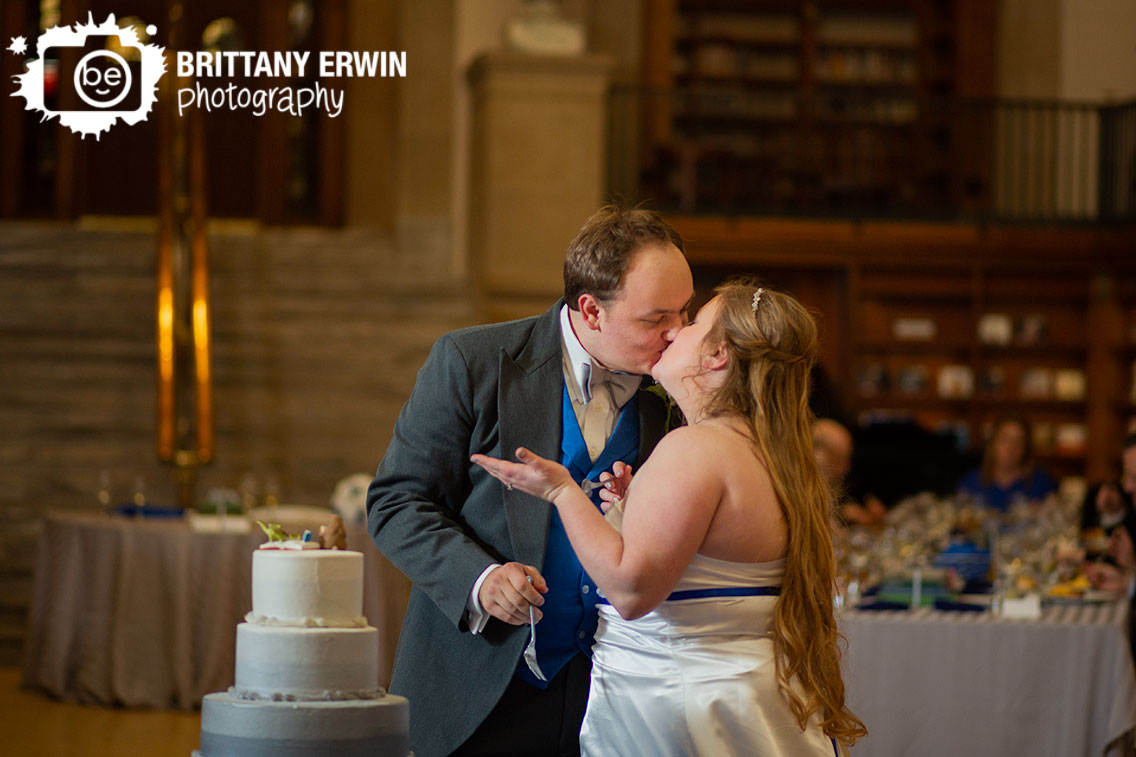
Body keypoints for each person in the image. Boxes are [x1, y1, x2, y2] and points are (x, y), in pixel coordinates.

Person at [473, 279, 866, 755]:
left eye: (694, 322)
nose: (676, 331)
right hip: (750, 699)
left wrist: (561, 491)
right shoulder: (775, 455)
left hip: (678, 705)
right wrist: (634, 509)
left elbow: (630, 590)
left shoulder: (695, 447)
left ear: (717, 355)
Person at [366, 206, 694, 757]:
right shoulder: (473, 362)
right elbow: (396, 501)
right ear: (590, 309)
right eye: (656, 319)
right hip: (483, 687)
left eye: (685, 312)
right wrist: (480, 579)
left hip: (615, 696)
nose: (677, 334)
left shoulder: (672, 398)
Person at [956, 416, 1056, 511]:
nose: (1011, 448)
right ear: (992, 443)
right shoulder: (970, 482)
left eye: (1018, 441)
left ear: (1026, 448)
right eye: (1004, 439)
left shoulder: (1042, 483)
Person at [813, 417, 886, 526]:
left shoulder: (835, 482)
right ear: (819, 456)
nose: (846, 468)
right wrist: (843, 514)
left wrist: (847, 512)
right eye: (838, 460)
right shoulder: (804, 485)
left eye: (847, 459)